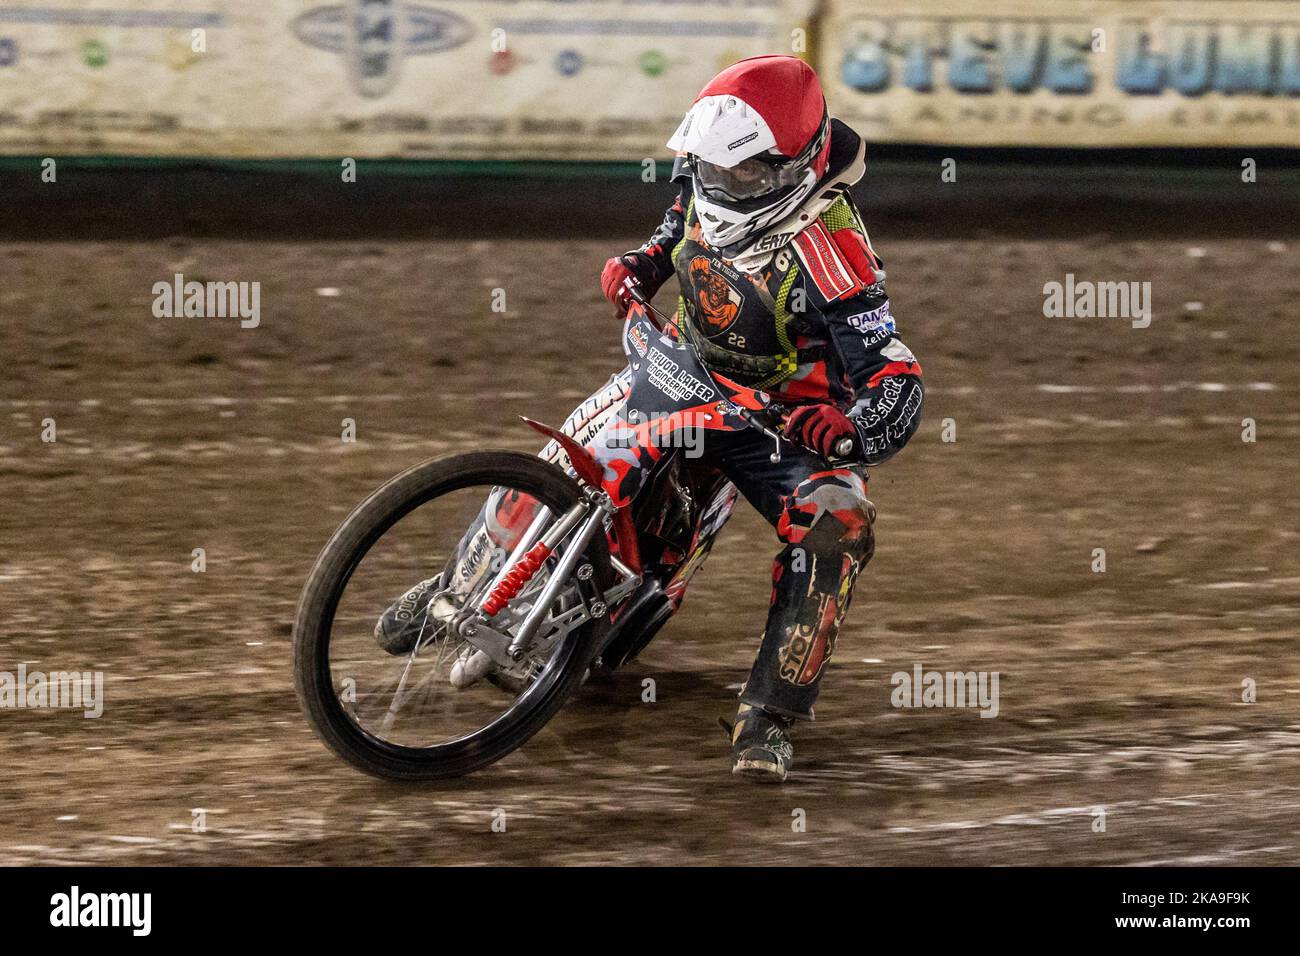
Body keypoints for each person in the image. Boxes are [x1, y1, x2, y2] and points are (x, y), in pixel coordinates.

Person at [378, 55, 924, 783]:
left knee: (838, 524)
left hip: (781, 426)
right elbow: (670, 240)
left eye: (741, 176)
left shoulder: (834, 250)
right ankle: (460, 581)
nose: (718, 187)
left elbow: (895, 375)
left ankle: (770, 711)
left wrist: (850, 430)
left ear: (791, 169)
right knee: (569, 457)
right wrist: (636, 268)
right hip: (684, 370)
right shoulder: (704, 186)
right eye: (708, 169)